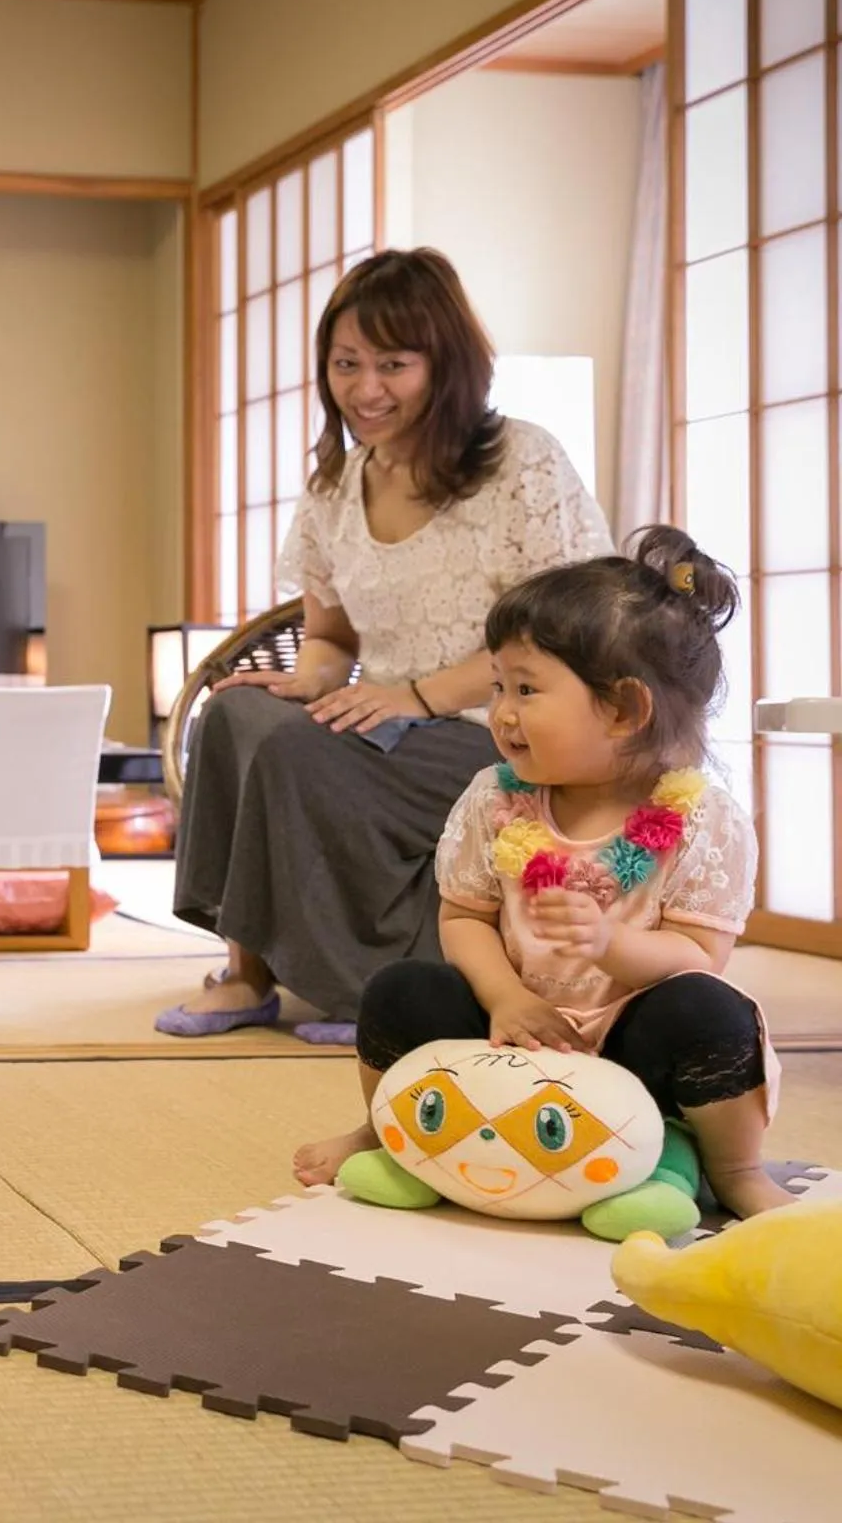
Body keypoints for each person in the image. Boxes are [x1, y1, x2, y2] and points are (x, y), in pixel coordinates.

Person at [160, 248, 613, 1041]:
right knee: (234, 720)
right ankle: (248, 973)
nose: (366, 390)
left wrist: (414, 697)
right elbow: (330, 636)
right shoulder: (337, 483)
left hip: (504, 735)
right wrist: (308, 682)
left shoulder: (521, 462)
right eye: (346, 364)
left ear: (446, 364)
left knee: (303, 756)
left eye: (393, 364)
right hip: (391, 725)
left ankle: (367, 990)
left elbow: (562, 634)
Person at [294, 526, 792, 1224]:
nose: (500, 712)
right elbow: (463, 916)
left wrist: (609, 947)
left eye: (526, 689)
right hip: (511, 1038)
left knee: (714, 1014)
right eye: (498, 685)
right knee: (401, 989)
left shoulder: (702, 816)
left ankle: (735, 1170)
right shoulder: (496, 800)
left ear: (624, 709)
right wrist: (503, 998)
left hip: (632, 1047)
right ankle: (388, 1127)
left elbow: (698, 957)